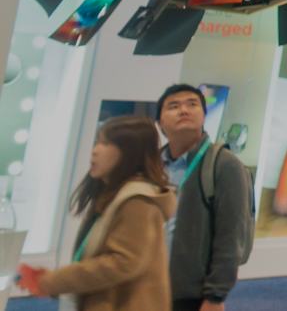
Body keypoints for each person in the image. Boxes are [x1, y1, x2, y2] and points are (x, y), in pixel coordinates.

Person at [19, 115, 176, 311]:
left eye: (105, 143)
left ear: (130, 153)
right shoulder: (115, 194)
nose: (95, 151)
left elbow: (122, 262)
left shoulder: (137, 201)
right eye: (97, 142)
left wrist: (54, 281)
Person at [153, 84, 251, 311]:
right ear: (160, 123)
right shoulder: (153, 165)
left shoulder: (224, 165)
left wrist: (216, 295)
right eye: (174, 106)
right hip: (147, 287)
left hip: (189, 294)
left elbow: (231, 234)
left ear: (204, 116)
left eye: (192, 104)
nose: (184, 110)